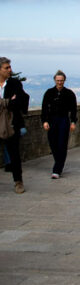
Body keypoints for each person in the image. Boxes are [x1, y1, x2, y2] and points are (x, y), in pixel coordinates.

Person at [0, 57, 29, 194]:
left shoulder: (15, 84)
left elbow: (19, 102)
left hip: (12, 124)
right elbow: (12, 102)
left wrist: (4, 103)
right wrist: (8, 102)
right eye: (6, 68)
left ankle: (18, 181)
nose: (10, 70)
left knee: (14, 154)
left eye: (9, 67)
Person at [41, 70, 78, 178]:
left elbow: (74, 109)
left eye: (61, 80)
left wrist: (73, 122)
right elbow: (44, 108)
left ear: (64, 80)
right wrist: (45, 121)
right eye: (58, 80)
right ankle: (59, 162)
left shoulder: (69, 93)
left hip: (63, 120)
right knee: (53, 143)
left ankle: (57, 170)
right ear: (55, 80)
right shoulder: (49, 93)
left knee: (62, 144)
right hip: (52, 120)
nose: (59, 82)